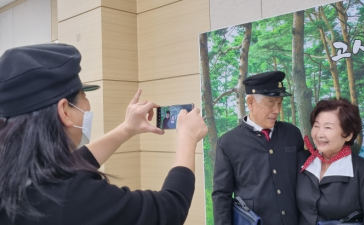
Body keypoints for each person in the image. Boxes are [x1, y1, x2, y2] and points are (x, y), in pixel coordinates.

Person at [0, 43, 208, 225]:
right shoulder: (70, 199)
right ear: (65, 111)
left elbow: (63, 169)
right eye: (83, 96)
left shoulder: (15, 177)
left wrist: (126, 129)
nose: (88, 107)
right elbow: (168, 210)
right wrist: (187, 139)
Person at [212, 71, 304, 225]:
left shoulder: (292, 134)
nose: (277, 110)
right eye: (270, 103)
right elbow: (221, 196)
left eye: (280, 103)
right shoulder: (228, 143)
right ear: (250, 103)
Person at [296, 98, 364, 225]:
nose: (319, 134)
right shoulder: (301, 160)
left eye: (328, 127)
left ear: (348, 134)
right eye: (316, 126)